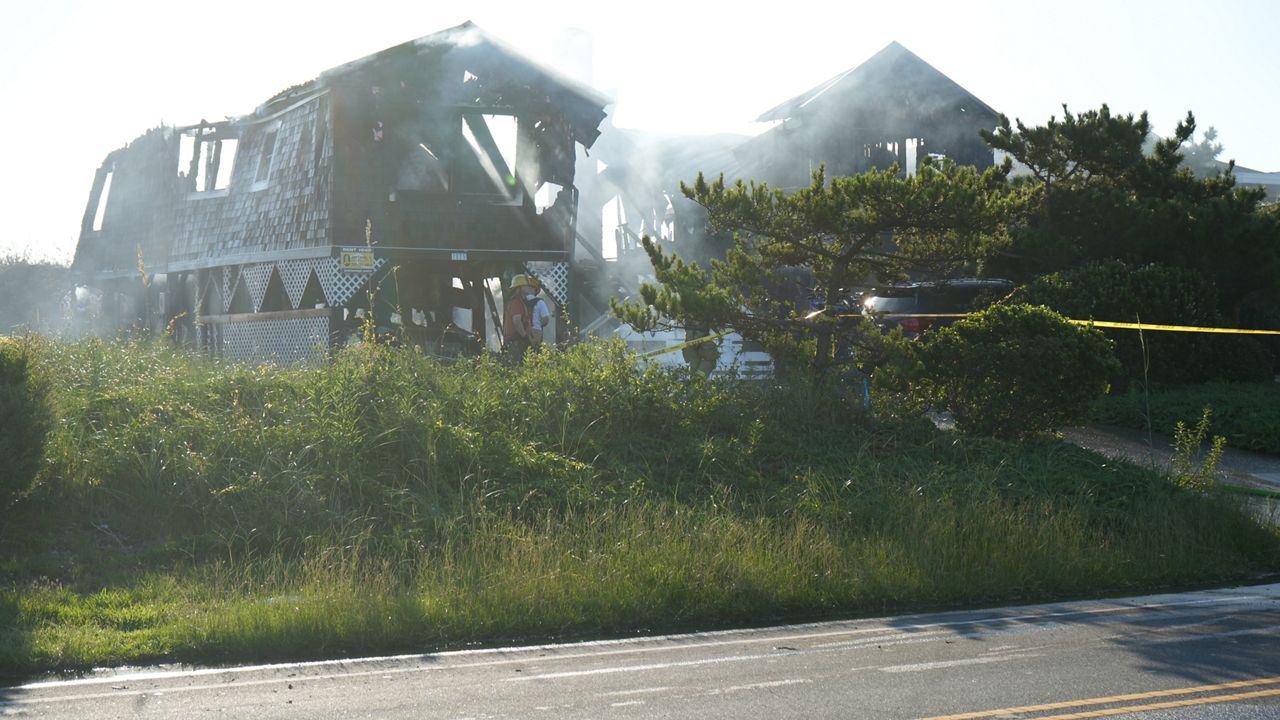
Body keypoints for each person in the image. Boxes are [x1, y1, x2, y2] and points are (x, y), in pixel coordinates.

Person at [502, 274, 533, 359]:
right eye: (526, 285)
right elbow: (517, 322)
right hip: (515, 342)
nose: (529, 287)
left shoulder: (520, 301)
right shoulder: (516, 303)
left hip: (517, 341)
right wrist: (525, 337)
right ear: (520, 288)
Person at [526, 276, 553, 347]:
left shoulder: (519, 301)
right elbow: (546, 319)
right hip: (536, 332)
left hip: (523, 332)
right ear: (536, 289)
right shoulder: (540, 302)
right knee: (535, 353)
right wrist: (538, 324)